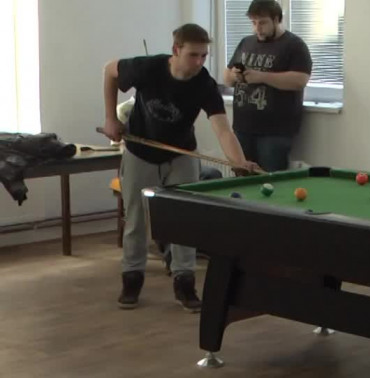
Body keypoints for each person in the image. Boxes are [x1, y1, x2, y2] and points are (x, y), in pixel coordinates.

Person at [102, 23, 260, 312]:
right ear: (176, 50)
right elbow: (110, 71)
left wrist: (238, 161)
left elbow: (223, 129)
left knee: (185, 220)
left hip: (181, 154)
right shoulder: (147, 68)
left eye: (204, 56)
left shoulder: (204, 84)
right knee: (136, 219)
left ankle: (184, 282)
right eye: (193, 55)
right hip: (139, 152)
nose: (199, 62)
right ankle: (132, 278)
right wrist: (111, 119)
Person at [224, 0, 312, 172]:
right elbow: (226, 78)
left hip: (275, 131)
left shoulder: (294, 45)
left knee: (270, 178)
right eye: (254, 22)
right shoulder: (246, 42)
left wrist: (262, 77)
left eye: (262, 22)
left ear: (277, 19)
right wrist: (235, 75)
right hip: (242, 126)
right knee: (241, 177)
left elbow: (299, 80)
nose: (257, 28)